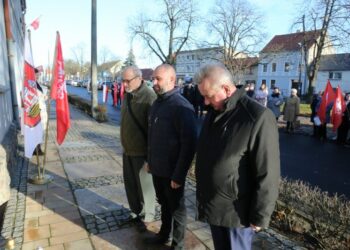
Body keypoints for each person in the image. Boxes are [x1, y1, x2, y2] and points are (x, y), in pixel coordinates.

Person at [194, 63, 280, 250]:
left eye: (209, 96)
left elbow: (268, 172)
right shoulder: (215, 111)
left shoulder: (257, 117)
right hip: (214, 205)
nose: (206, 102)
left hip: (237, 213)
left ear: (226, 89)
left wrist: (261, 215)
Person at [145, 64, 197, 249]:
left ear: (172, 80)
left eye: (158, 79)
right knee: (164, 205)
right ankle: (164, 234)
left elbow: (189, 145)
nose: (154, 82)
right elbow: (153, 137)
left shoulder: (181, 107)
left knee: (177, 210)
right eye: (153, 79)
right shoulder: (157, 103)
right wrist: (149, 162)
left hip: (172, 173)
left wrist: (178, 174)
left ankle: (178, 244)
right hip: (157, 169)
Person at [120, 65, 157, 232]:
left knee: (145, 187)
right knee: (131, 185)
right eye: (123, 80)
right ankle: (135, 211)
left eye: (128, 80)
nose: (125, 84)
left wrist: (151, 157)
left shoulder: (149, 97)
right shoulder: (127, 95)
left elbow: (154, 131)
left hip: (142, 153)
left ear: (139, 78)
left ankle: (148, 216)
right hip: (127, 150)